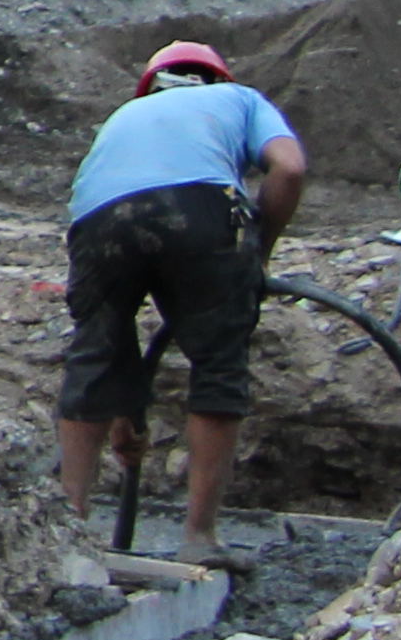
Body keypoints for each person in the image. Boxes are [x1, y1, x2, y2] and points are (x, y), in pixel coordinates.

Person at [58, 40, 307, 563]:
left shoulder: (124, 117)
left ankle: (67, 535)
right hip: (199, 208)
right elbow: (288, 168)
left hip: (98, 219)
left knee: (92, 355)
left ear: (149, 86)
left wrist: (126, 409)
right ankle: (198, 538)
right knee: (218, 361)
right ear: (218, 78)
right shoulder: (241, 99)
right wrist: (257, 254)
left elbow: (114, 343)